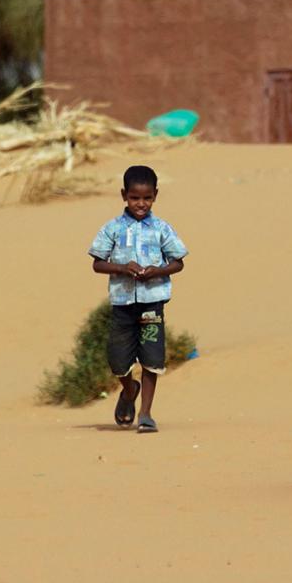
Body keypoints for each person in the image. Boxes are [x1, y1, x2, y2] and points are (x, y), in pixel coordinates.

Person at [88, 165, 188, 434]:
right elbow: (97, 264)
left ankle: (145, 413)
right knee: (118, 361)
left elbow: (178, 262)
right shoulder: (113, 228)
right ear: (124, 195)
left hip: (153, 302)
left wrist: (159, 271)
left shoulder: (161, 229)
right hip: (122, 302)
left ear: (155, 195)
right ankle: (130, 388)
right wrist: (122, 268)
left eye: (146, 198)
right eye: (134, 197)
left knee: (152, 358)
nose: (140, 204)